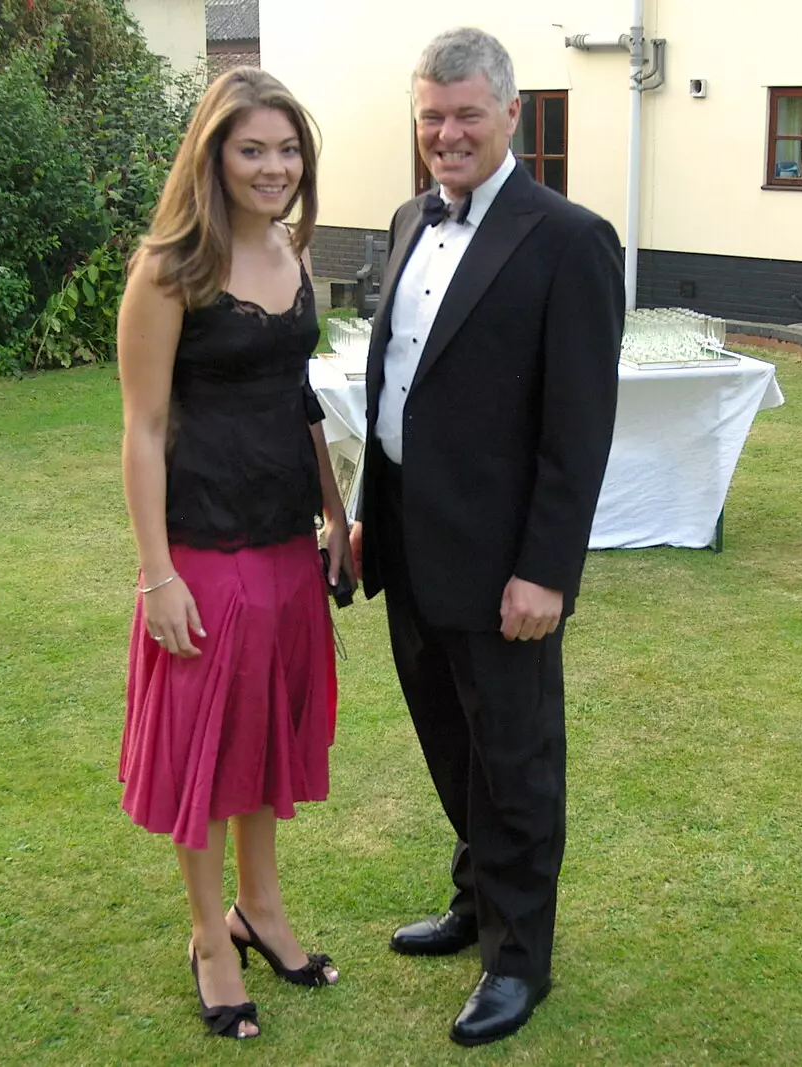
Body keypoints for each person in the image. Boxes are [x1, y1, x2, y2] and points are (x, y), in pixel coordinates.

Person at [349, 28, 624, 1047]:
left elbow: (578, 427)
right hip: (411, 544)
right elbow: (398, 387)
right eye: (431, 115)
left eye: (467, 113)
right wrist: (371, 509)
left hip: (504, 559)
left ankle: (519, 959)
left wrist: (544, 570)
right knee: (446, 738)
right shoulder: (405, 219)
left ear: (513, 114)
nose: (446, 133)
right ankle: (476, 900)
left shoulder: (570, 239)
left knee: (514, 756)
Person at [115, 67, 350, 1041]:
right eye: (252, 148)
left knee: (265, 739)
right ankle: (211, 935)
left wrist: (337, 513)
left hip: (287, 541)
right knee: (207, 756)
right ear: (212, 153)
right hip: (203, 549)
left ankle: (265, 907)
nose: (274, 166)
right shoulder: (169, 267)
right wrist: (156, 570)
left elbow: (299, 400)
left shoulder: (293, 254)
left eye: (288, 149)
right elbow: (141, 425)